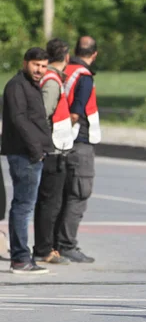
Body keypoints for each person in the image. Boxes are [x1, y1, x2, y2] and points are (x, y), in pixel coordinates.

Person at [1, 47, 53, 274]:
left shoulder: (31, 85)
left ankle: (22, 257)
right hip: (24, 154)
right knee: (22, 207)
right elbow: (19, 120)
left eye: (43, 66)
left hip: (31, 153)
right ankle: (21, 258)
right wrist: (35, 150)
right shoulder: (16, 86)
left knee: (24, 206)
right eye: (36, 65)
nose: (40, 70)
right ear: (25, 63)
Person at [55, 36, 100, 263]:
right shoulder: (84, 77)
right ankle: (66, 244)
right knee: (78, 194)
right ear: (95, 54)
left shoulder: (64, 70)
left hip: (59, 144)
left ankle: (54, 244)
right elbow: (76, 112)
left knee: (60, 195)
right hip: (78, 142)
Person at [33, 38, 73, 265]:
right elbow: (43, 116)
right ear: (66, 57)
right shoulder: (52, 81)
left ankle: (45, 246)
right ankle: (44, 248)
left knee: (50, 201)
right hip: (53, 149)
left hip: (55, 148)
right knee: (50, 202)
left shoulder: (53, 78)